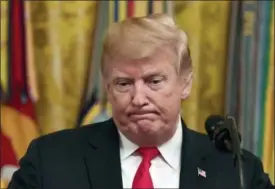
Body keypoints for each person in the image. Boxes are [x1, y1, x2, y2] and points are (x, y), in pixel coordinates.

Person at [8, 13, 273, 189]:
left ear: (185, 83)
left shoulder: (237, 172)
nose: (138, 99)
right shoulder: (51, 161)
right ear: (108, 88)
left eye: (154, 81)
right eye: (124, 83)